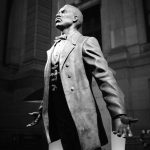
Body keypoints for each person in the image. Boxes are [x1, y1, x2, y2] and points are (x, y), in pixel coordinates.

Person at [27, 4, 137, 150]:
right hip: (58, 118)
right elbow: (54, 84)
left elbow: (105, 78)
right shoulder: (51, 49)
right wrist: (44, 108)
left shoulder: (85, 42)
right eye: (58, 12)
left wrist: (118, 114)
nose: (58, 14)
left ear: (75, 18)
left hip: (81, 116)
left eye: (63, 12)